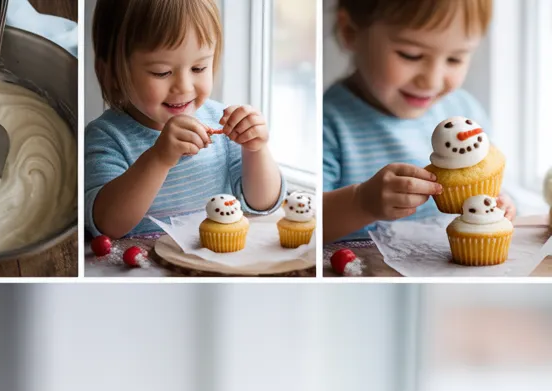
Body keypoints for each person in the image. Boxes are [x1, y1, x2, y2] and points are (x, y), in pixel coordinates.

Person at [85, 0, 283, 240]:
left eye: (198, 68)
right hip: (143, 262)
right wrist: (159, 158)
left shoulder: (222, 122)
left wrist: (256, 149)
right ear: (113, 73)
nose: (184, 86)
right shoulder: (106, 137)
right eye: (162, 72)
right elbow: (108, 224)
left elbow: (263, 204)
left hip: (215, 259)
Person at [323, 0, 516, 243]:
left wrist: (501, 204)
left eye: (454, 59)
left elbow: (488, 184)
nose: (432, 81)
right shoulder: (329, 123)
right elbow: (314, 221)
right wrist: (361, 202)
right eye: (411, 55)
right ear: (350, 32)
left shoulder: (464, 110)